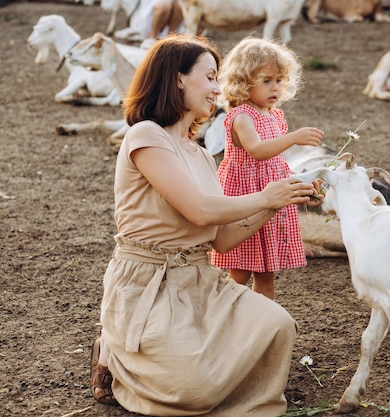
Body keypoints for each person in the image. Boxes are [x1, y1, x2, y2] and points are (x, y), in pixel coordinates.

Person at [90, 33, 321, 417]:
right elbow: (199, 210)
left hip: (199, 278)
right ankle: (113, 353)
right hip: (149, 281)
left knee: (278, 325)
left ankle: (182, 363)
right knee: (194, 390)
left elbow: (224, 240)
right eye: (210, 77)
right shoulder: (146, 135)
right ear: (178, 78)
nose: (218, 88)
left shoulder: (200, 155)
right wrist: (266, 196)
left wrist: (281, 201)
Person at [210, 37, 325, 299]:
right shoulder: (242, 116)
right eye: (266, 80)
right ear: (243, 81)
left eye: (279, 80)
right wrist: (294, 137)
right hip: (246, 201)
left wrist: (302, 183)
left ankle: (263, 328)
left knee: (266, 275)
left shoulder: (274, 115)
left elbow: (276, 163)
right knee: (239, 275)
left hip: (269, 203)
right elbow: (258, 151)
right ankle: (228, 321)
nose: (275, 88)